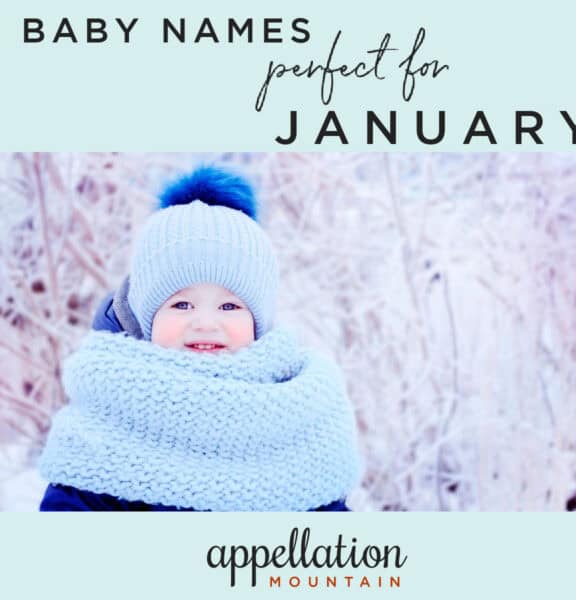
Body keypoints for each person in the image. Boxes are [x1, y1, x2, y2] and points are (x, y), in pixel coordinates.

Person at [38, 166, 360, 511]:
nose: (205, 323)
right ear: (146, 317)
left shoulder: (301, 416)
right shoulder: (104, 423)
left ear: (259, 321)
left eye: (229, 305)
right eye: (181, 304)